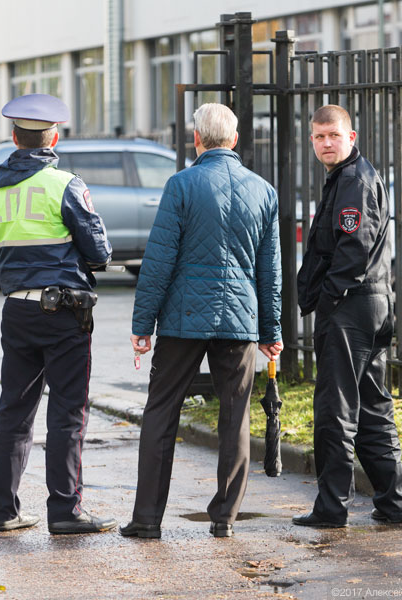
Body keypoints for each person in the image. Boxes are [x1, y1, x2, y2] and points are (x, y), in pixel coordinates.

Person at [119, 103, 283, 540]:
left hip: (182, 320)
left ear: (197, 139)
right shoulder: (264, 191)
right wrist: (272, 331)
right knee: (236, 417)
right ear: (235, 140)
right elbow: (270, 272)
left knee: (161, 413)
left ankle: (147, 519)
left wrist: (142, 325)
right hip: (241, 321)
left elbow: (158, 261)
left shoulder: (181, 185)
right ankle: (224, 518)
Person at [0, 93, 116, 535]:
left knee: (13, 412)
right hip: (63, 314)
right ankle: (64, 511)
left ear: (15, 137)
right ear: (52, 136)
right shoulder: (64, 184)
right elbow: (100, 251)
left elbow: (0, 242)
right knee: (66, 412)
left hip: (15, 312)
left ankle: (4, 511)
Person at [293, 104, 402, 528]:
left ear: (351, 137)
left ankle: (331, 508)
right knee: (373, 406)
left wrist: (328, 299)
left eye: (334, 136)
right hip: (368, 304)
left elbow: (353, 247)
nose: (326, 143)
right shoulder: (343, 178)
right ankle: (393, 502)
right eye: (319, 137)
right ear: (312, 140)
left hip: (352, 305)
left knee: (335, 408)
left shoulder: (354, 181)